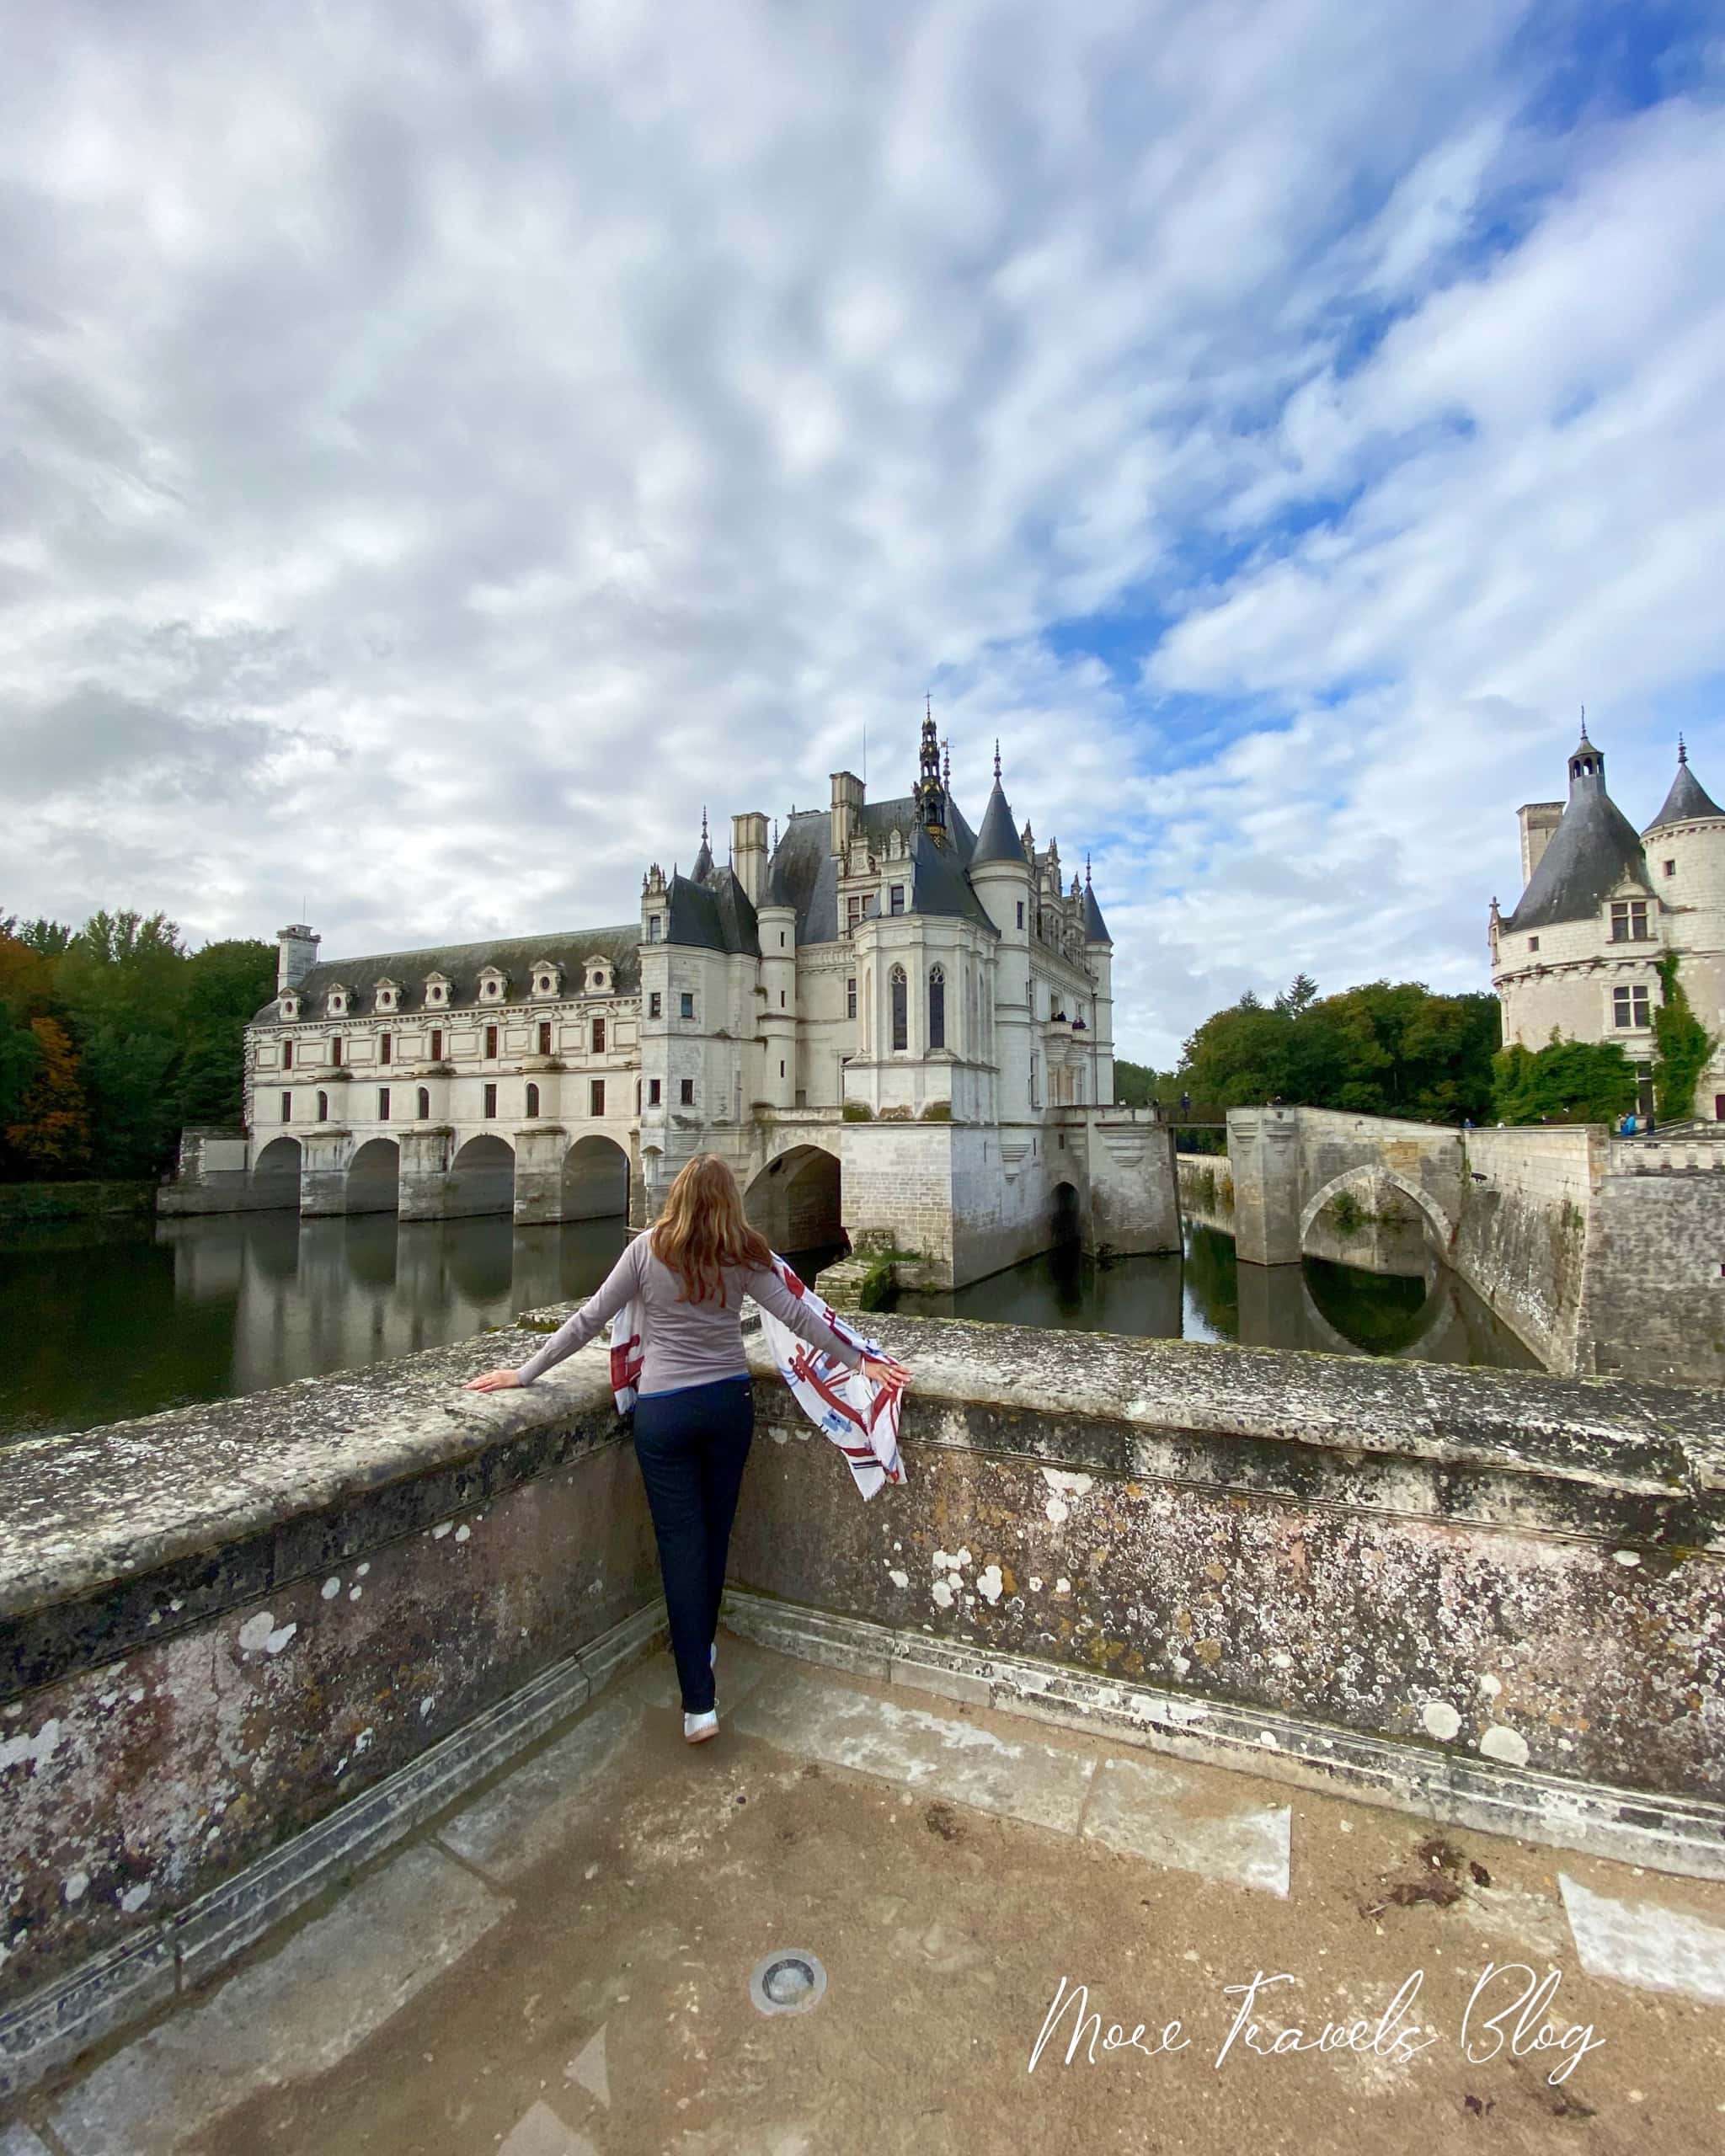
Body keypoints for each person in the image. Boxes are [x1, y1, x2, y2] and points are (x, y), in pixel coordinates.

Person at [464, 1155, 910, 1744]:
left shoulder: (647, 1251)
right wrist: (861, 1362)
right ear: (730, 1201)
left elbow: (588, 1320)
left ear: (677, 1196)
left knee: (681, 1548)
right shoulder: (744, 1254)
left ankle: (699, 1702)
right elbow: (800, 1317)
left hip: (665, 1413)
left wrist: (524, 1373)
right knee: (714, 1537)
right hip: (726, 1407)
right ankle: (703, 1646)